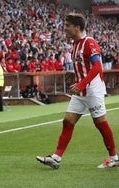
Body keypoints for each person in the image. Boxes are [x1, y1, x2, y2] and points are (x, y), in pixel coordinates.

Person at [36, 13, 119, 169]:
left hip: (92, 90)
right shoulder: (75, 45)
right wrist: (75, 78)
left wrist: (82, 84)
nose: (65, 28)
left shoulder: (90, 43)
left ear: (77, 27)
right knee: (68, 121)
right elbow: (84, 67)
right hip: (80, 91)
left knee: (100, 123)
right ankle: (56, 158)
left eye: (68, 25)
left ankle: (114, 158)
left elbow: (97, 67)